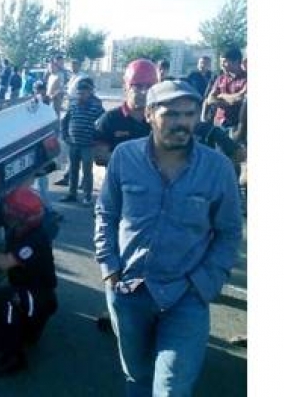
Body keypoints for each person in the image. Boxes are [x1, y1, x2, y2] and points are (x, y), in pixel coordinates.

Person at [94, 80, 243, 396]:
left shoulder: (217, 168)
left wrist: (205, 283)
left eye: (189, 114)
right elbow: (106, 213)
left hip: (185, 296)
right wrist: (109, 267)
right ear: (149, 114)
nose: (182, 123)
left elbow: (229, 231)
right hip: (129, 290)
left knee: (172, 388)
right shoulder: (124, 157)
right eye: (171, 114)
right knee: (136, 377)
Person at [0, 186, 59, 377]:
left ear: (21, 216)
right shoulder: (21, 227)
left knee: (4, 299)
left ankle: (13, 357)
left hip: (39, 297)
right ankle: (18, 331)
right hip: (28, 290)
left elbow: (5, 262)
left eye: (10, 212)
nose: (6, 214)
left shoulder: (35, 239)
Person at [91, 59, 158, 167]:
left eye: (149, 87)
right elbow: (99, 156)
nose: (144, 92)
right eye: (138, 86)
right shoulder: (110, 119)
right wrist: (135, 163)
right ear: (125, 87)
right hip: (120, 182)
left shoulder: (159, 119)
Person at [59, 77, 105, 206]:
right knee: (73, 170)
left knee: (87, 171)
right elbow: (65, 121)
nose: (81, 95)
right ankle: (72, 194)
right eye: (79, 92)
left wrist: (98, 139)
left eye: (83, 93)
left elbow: (104, 122)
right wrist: (65, 136)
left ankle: (87, 196)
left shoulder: (96, 107)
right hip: (73, 143)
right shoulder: (73, 105)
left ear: (89, 93)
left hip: (88, 145)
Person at [204, 47, 247, 133]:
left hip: (238, 127)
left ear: (236, 61)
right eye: (221, 62)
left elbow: (240, 98)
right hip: (218, 124)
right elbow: (210, 99)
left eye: (224, 62)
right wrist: (229, 100)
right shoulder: (220, 78)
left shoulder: (246, 78)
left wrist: (222, 95)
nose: (222, 65)